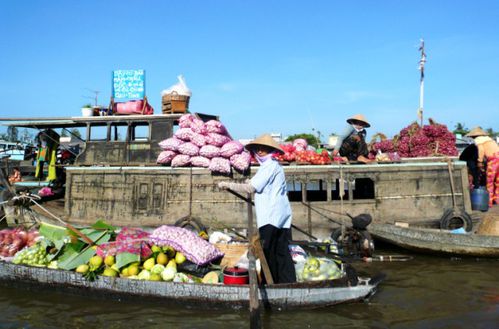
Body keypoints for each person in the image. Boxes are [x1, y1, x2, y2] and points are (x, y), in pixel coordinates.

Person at [218, 134, 296, 283]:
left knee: (268, 252)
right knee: (279, 251)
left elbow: (251, 187)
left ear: (271, 150)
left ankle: (273, 283)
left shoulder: (270, 166)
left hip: (271, 216)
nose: (260, 152)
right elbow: (258, 184)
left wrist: (228, 185)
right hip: (279, 216)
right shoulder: (271, 166)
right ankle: (286, 282)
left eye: (264, 149)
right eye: (258, 149)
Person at [466, 127, 499, 207]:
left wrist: (480, 161)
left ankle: (489, 202)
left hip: (493, 161)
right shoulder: (489, 139)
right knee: (498, 181)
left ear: (474, 136)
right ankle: (497, 200)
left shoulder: (479, 140)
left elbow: (481, 150)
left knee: (490, 182)